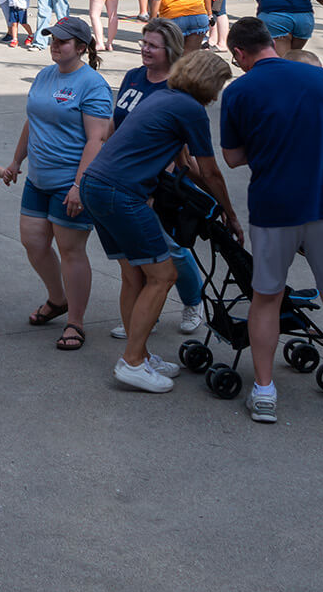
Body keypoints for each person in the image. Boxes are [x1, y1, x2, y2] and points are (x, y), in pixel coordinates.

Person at [220, 16, 323, 423]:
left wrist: (271, 143)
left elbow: (233, 157)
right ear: (271, 43)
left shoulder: (239, 91)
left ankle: (265, 391)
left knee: (266, 297)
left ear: (239, 53)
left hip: (273, 208)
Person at [78, 49, 235, 394]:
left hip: (95, 185)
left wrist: (205, 198)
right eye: (220, 84)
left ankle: (141, 354)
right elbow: (209, 170)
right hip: (121, 193)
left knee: (135, 274)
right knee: (164, 275)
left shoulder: (162, 97)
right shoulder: (190, 108)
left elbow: (183, 163)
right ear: (209, 82)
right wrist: (231, 214)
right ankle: (132, 362)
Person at [0, 16, 111, 354]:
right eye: (52, 39)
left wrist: (79, 185)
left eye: (63, 41)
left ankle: (75, 321)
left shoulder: (92, 84)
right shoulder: (45, 75)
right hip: (39, 178)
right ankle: (57, 299)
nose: (55, 45)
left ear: (81, 47)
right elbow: (33, 120)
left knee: (71, 251)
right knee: (33, 242)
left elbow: (98, 139)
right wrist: (17, 160)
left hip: (70, 182)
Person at [107, 21, 220, 339]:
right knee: (136, 253)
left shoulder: (177, 89)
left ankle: (192, 300)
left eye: (152, 45)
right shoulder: (133, 77)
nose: (144, 48)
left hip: (159, 182)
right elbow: (116, 127)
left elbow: (181, 150)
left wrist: (172, 187)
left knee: (170, 248)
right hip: (125, 179)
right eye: (143, 42)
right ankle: (147, 314)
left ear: (169, 50)